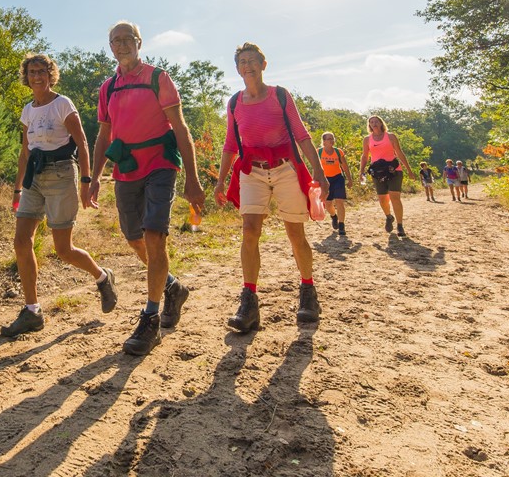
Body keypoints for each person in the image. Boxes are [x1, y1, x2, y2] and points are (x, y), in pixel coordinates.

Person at [89, 21, 206, 356]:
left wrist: (193, 179)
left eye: (128, 39)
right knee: (134, 238)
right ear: (110, 47)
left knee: (155, 235)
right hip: (126, 169)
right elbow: (103, 135)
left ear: (139, 43)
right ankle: (173, 287)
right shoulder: (108, 87)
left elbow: (180, 128)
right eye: (116, 41)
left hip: (160, 163)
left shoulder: (158, 78)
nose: (122, 45)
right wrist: (93, 177)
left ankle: (150, 318)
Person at [213, 42, 329, 332]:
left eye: (253, 60)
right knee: (250, 230)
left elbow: (301, 135)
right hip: (252, 170)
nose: (248, 66)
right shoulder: (234, 103)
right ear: (237, 69)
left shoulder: (280, 95)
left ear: (263, 65)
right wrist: (220, 180)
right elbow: (230, 144)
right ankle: (249, 303)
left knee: (295, 232)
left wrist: (319, 172)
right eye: (242, 62)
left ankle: (308, 294)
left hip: (285, 168)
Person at [4, 54, 119, 337]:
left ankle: (102, 277)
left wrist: (86, 181)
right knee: (21, 241)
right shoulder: (28, 110)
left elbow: (82, 142)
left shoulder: (62, 104)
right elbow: (25, 152)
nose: (37, 76)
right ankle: (32, 311)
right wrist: (17, 189)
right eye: (32, 72)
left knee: (64, 250)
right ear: (26, 76)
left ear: (51, 74)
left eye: (42, 71)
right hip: (34, 178)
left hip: (61, 174)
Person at [358, 115, 416, 236]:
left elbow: (399, 153)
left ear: (381, 123)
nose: (374, 123)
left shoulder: (390, 136)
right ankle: (389, 217)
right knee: (383, 199)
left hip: (394, 170)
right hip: (378, 172)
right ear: (369, 125)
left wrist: (409, 170)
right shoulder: (367, 139)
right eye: (371, 122)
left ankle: (400, 225)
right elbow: (365, 156)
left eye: (376, 121)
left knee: (395, 197)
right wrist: (361, 171)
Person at [318, 132, 350, 236]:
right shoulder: (319, 152)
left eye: (332, 138)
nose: (331, 141)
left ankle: (341, 225)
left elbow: (344, 166)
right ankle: (333, 216)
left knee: (339, 201)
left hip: (337, 178)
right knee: (328, 203)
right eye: (329, 139)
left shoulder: (338, 152)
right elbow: (316, 168)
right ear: (324, 141)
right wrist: (315, 180)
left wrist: (349, 179)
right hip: (325, 180)